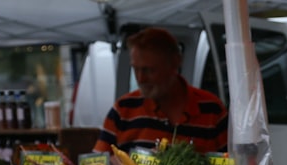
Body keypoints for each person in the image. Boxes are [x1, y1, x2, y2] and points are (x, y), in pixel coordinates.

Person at [93, 27, 227, 155]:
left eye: (149, 70)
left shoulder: (212, 110)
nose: (140, 79)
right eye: (136, 69)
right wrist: (111, 162)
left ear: (175, 63)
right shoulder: (123, 110)